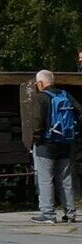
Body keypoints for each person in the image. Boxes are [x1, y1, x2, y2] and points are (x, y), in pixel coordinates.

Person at [29, 69, 77, 223]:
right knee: (66, 179)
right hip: (65, 141)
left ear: (41, 83)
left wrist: (35, 140)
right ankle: (70, 214)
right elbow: (79, 112)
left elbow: (37, 121)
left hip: (46, 143)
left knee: (45, 179)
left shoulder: (41, 98)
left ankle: (48, 214)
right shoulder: (66, 95)